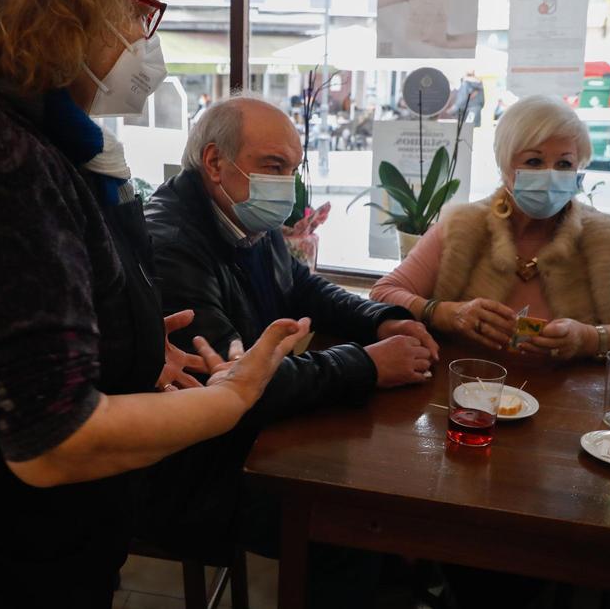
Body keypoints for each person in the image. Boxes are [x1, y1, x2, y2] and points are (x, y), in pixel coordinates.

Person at [0, 0, 310, 607]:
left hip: (30, 526)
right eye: (140, 11)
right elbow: (51, 441)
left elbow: (10, 316)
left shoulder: (17, 127)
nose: (142, 40)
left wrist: (122, 342)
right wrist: (230, 397)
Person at [141, 96, 439, 607]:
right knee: (347, 524)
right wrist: (366, 363)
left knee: (388, 496)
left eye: (293, 168)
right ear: (215, 162)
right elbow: (235, 385)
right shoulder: (171, 243)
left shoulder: (240, 218)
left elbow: (303, 288)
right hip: (194, 471)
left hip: (251, 437)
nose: (288, 184)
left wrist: (379, 317)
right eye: (274, 167)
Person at [371, 95, 610, 360]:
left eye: (564, 164)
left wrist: (591, 338)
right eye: (534, 162)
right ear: (505, 166)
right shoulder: (463, 226)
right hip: (464, 396)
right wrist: (446, 314)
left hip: (570, 407)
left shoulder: (604, 238)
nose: (550, 174)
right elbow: (383, 294)